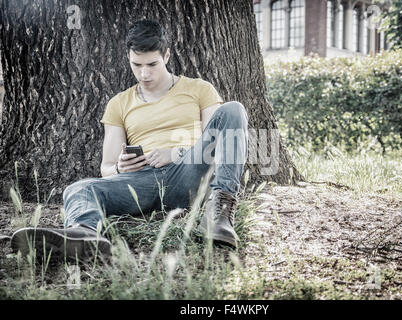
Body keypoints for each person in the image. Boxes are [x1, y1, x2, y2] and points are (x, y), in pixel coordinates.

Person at [10, 19, 249, 261]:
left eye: (152, 64)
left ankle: (218, 217)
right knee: (79, 188)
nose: (144, 73)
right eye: (137, 65)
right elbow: (106, 167)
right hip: (141, 181)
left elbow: (215, 144)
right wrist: (118, 167)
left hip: (188, 173)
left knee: (233, 110)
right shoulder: (118, 103)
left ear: (166, 56)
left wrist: (176, 153)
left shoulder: (200, 89)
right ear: (128, 58)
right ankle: (84, 236)